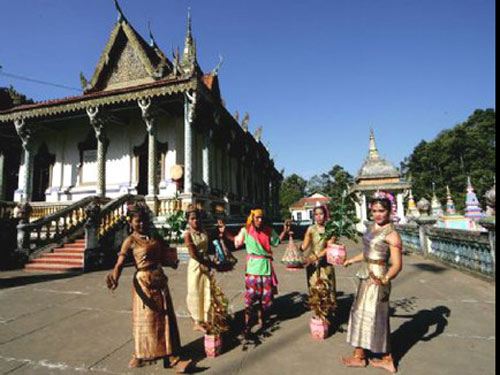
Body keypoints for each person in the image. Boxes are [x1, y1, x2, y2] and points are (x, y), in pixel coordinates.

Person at [105, 204, 191, 372]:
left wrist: (171, 260)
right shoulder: (130, 240)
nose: (141, 224)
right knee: (147, 321)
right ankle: (149, 355)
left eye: (143, 221)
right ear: (130, 222)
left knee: (165, 318)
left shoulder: (153, 236)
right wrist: (115, 276)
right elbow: (120, 262)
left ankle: (170, 355)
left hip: (159, 279)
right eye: (138, 221)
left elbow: (163, 254)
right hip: (143, 282)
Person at [341, 195, 403, 373]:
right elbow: (368, 253)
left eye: (381, 211)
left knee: (378, 316)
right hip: (366, 274)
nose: (378, 214)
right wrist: (351, 260)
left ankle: (387, 359)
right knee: (359, 312)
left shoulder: (392, 235)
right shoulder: (371, 227)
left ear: (389, 211)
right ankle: (359, 355)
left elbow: (397, 265)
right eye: (374, 211)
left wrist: (385, 279)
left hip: (379, 276)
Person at [220, 208, 290, 335]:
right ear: (252, 218)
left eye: (261, 217)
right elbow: (235, 240)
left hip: (266, 268)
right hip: (252, 269)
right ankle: (247, 324)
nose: (260, 220)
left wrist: (285, 231)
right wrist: (225, 231)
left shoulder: (268, 231)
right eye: (257, 217)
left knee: (266, 299)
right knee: (250, 298)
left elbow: (276, 241)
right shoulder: (245, 231)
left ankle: (261, 319)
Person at [184, 206, 217, 333]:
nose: (195, 221)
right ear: (188, 221)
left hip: (205, 262)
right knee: (195, 291)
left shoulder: (203, 231)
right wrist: (205, 263)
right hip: (196, 265)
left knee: (207, 290)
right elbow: (193, 254)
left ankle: (206, 317)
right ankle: (197, 321)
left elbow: (209, 246)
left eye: (197, 218)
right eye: (192, 219)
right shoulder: (188, 235)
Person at [300, 205, 337, 315]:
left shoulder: (330, 229)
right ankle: (318, 316)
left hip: (325, 264)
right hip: (312, 265)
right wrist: (294, 250)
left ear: (325, 215)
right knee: (314, 291)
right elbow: (304, 246)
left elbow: (329, 247)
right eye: (316, 214)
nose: (318, 217)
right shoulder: (311, 229)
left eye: (321, 214)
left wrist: (316, 257)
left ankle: (327, 316)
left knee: (326, 290)